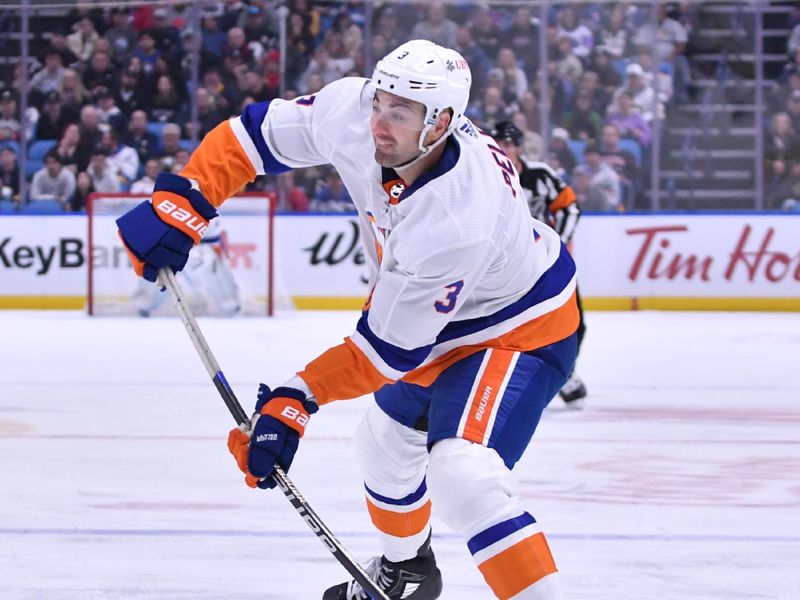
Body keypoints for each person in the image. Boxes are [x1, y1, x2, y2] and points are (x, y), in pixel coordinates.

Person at [116, 40, 578, 600]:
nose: (379, 124)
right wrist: (188, 196)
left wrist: (295, 398)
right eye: (380, 102)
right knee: (383, 447)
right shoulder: (355, 112)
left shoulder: (458, 217)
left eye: (400, 114)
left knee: (464, 474)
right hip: (440, 321)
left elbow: (384, 352)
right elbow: (252, 136)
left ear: (443, 124)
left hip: (517, 326)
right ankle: (407, 571)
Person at [491, 121, 588, 407]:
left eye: (508, 143)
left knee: (574, 322)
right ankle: (508, 377)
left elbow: (569, 206)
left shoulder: (540, 175)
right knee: (508, 325)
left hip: (547, 261)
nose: (504, 149)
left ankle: (564, 373)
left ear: (519, 147)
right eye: (498, 143)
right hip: (506, 266)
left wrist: (562, 240)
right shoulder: (486, 176)